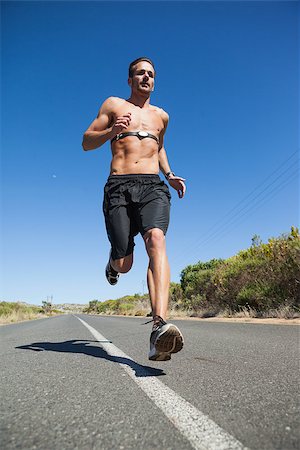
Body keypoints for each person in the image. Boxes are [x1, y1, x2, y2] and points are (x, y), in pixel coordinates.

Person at [82, 57, 186, 361]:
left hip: (153, 186)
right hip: (119, 185)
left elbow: (160, 146)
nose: (146, 77)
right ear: (130, 80)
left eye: (151, 74)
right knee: (126, 263)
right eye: (140, 73)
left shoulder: (161, 116)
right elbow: (87, 142)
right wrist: (112, 129)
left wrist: (169, 174)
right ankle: (113, 263)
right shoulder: (114, 105)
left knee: (156, 240)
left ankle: (159, 327)